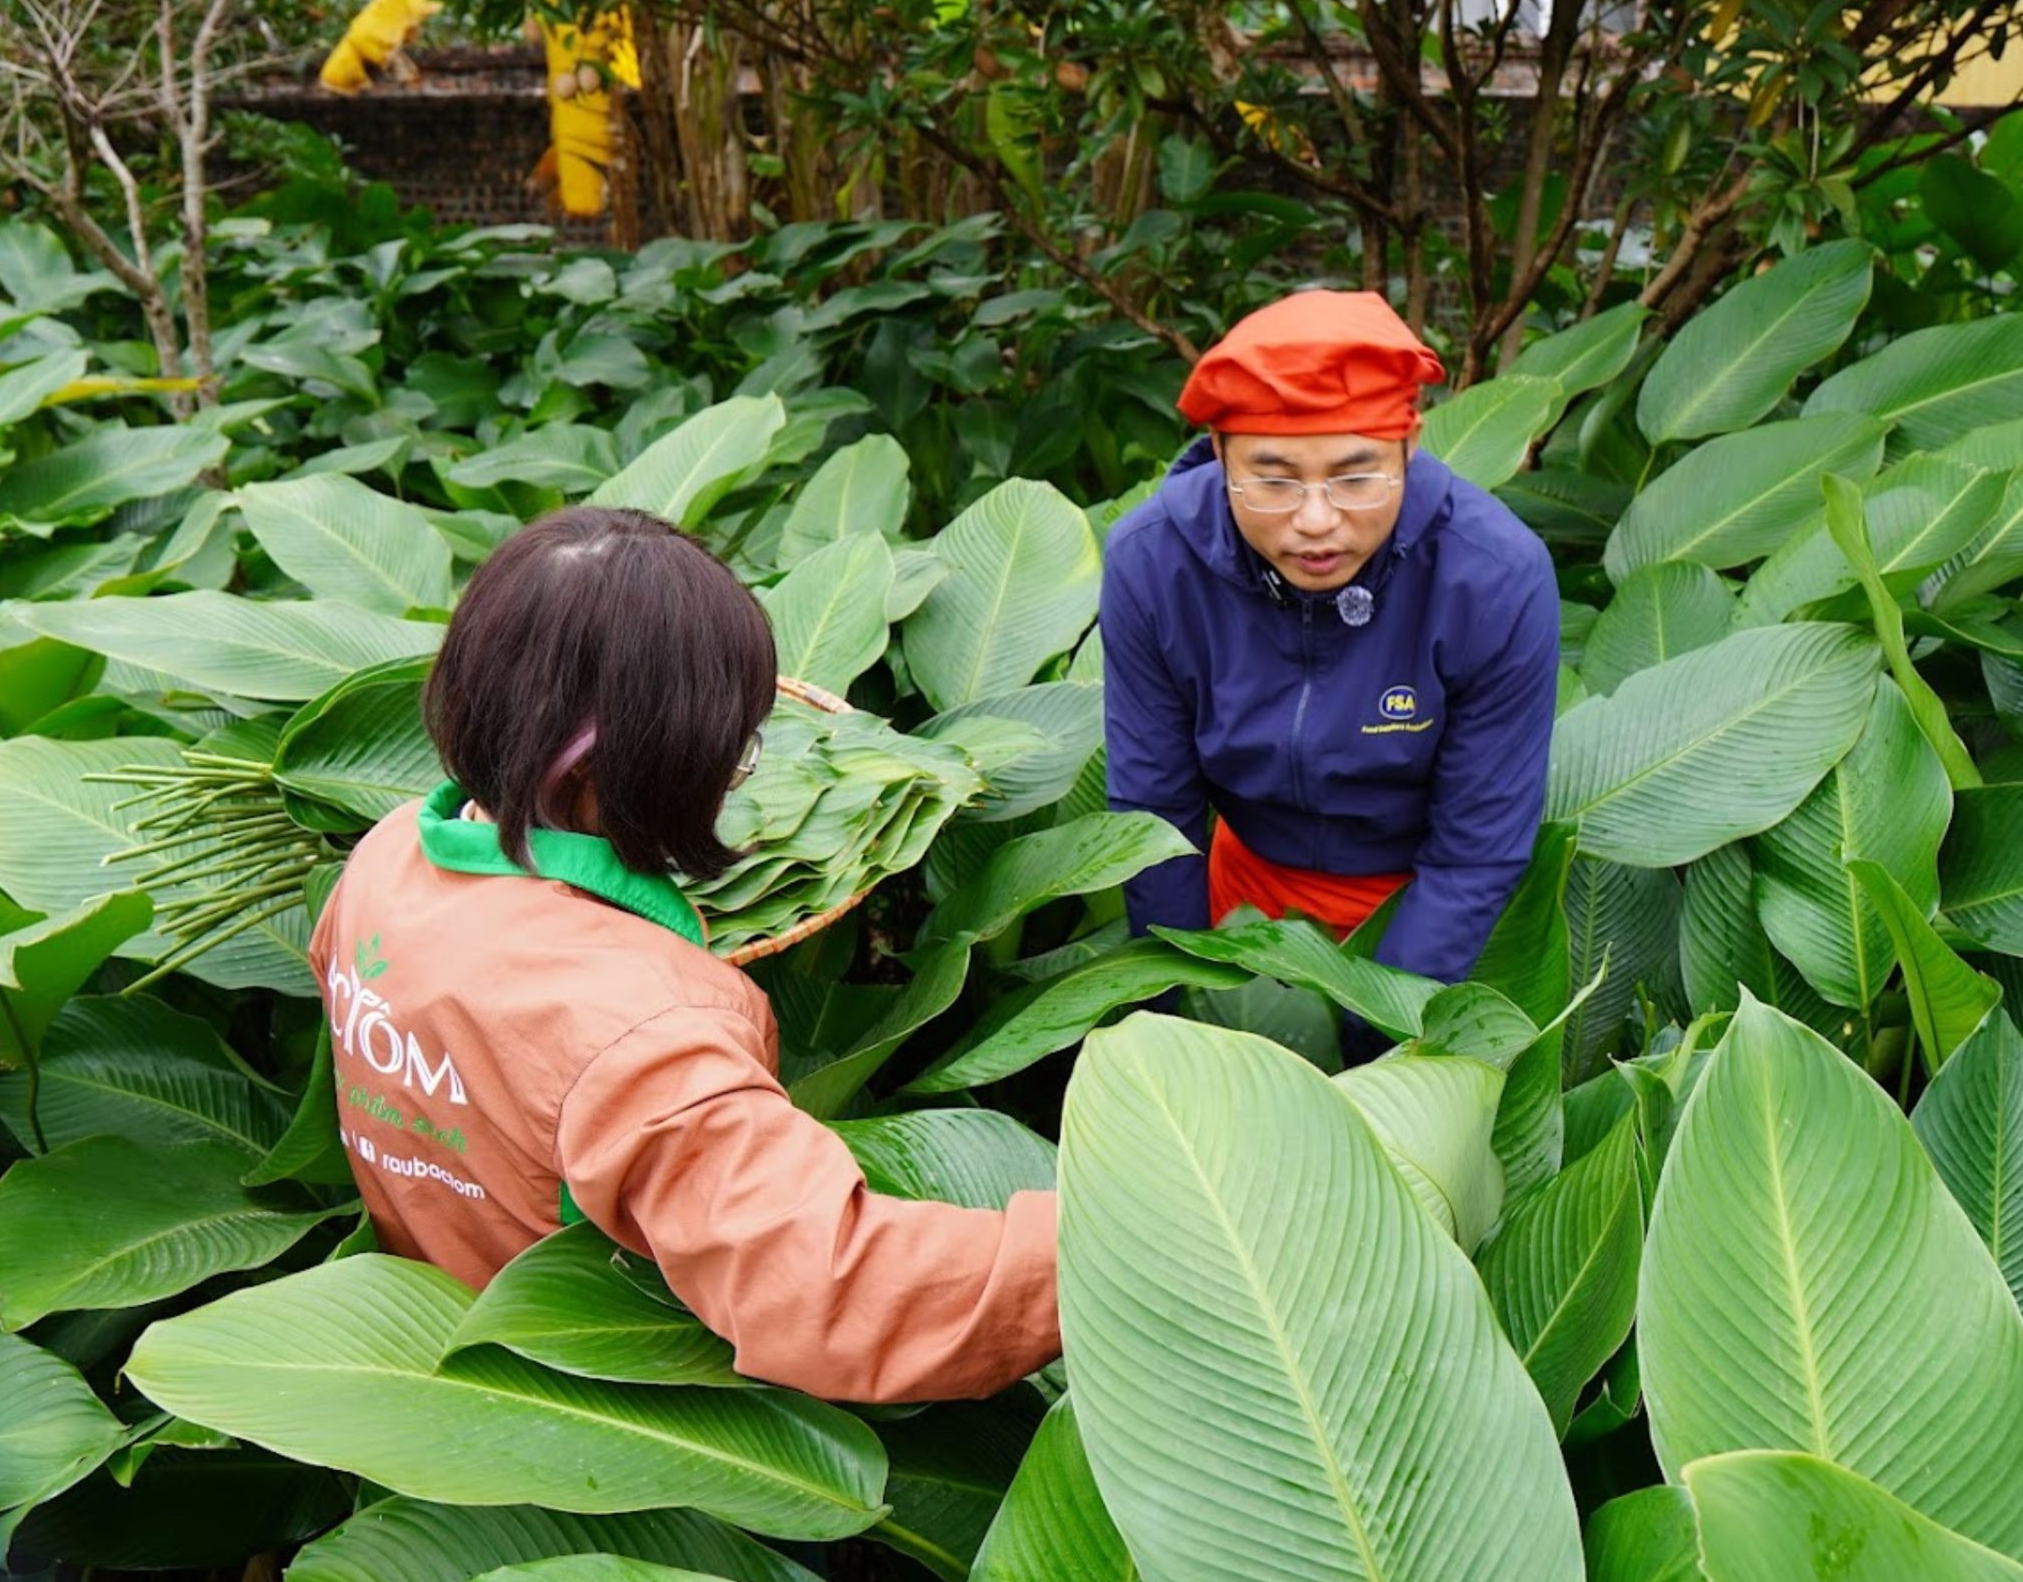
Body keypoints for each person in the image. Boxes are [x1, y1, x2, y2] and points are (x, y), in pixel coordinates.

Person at [310, 506, 1058, 1403]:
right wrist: (1114, 1244)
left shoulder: (387, 854)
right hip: (572, 1389)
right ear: (613, 768)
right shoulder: (642, 1028)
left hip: (416, 1324)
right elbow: (837, 1288)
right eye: (730, 752)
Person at [1100, 290, 1561, 1041]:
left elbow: (1477, 852)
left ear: (1409, 448)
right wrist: (1172, 1017)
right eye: (1274, 479)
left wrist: (1373, 1029)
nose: (1316, 520)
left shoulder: (1496, 576)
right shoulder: (1152, 562)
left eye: (1356, 476)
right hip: (1242, 889)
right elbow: (1156, 813)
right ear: (1219, 455)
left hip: (1422, 906)